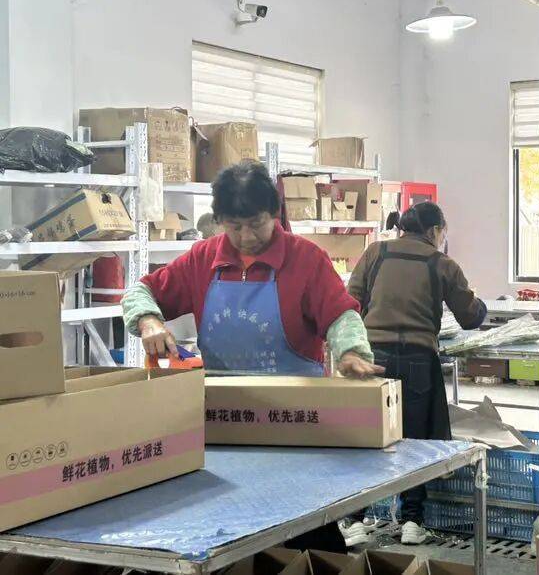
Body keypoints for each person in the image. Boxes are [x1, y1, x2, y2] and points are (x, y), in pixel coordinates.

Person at [121, 160, 382, 552]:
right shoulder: (202, 259)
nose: (246, 237)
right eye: (234, 226)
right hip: (224, 422)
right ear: (220, 220)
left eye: (256, 224)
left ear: (275, 213)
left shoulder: (306, 259)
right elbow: (140, 290)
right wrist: (149, 321)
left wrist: (351, 351)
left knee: (307, 533)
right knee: (230, 530)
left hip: (295, 425)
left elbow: (341, 313)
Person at [345, 202, 486, 546]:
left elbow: (350, 301)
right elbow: (470, 317)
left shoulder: (375, 253)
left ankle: (354, 520)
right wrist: (479, 302)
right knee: (415, 440)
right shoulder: (441, 263)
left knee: (369, 437)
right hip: (418, 360)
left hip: (372, 359)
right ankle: (412, 522)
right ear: (435, 230)